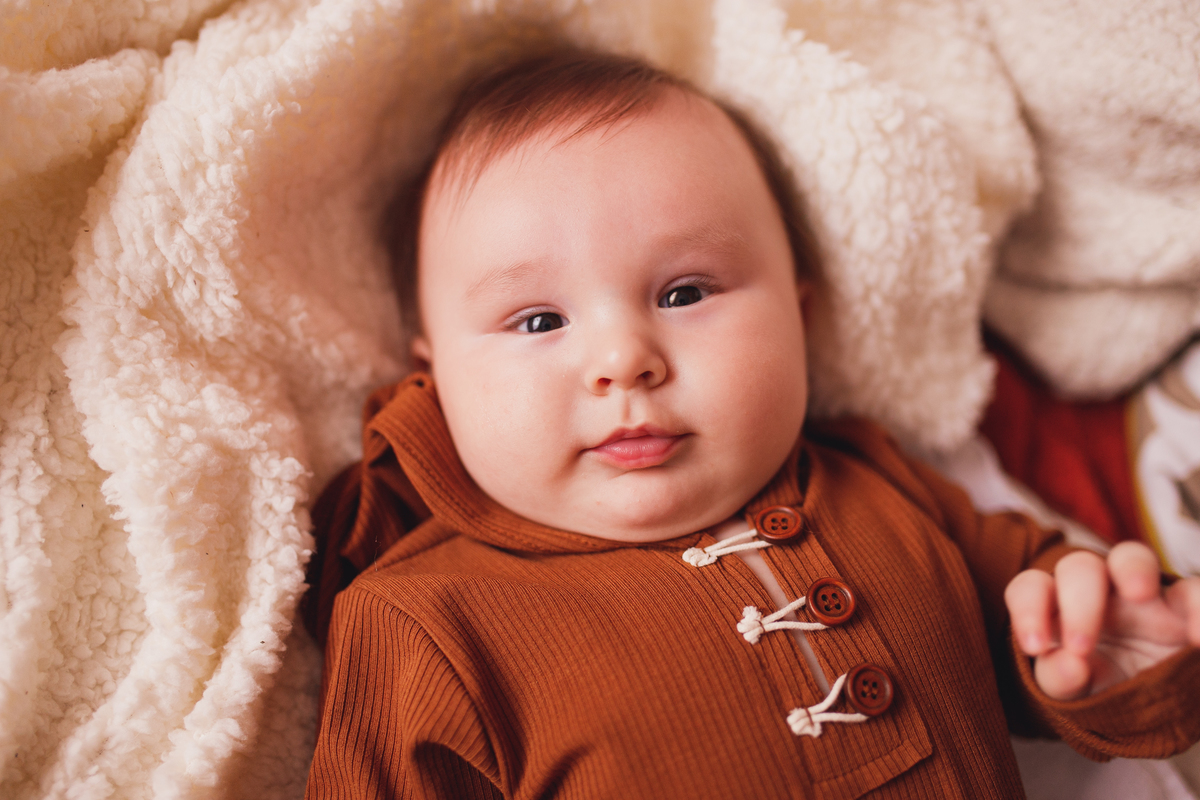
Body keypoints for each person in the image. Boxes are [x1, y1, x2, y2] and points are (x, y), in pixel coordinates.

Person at [303, 48, 1200, 799]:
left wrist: (1113, 659)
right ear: (436, 379)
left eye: (685, 291)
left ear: (800, 318)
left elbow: (1043, 641)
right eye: (539, 321)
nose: (624, 359)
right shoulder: (425, 624)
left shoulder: (882, 483)